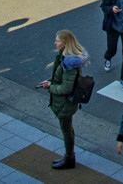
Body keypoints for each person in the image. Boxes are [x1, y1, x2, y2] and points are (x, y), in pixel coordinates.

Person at [38, 30, 88, 170]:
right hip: (65, 103)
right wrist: (50, 81)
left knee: (66, 130)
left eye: (58, 41)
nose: (55, 43)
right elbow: (60, 78)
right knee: (67, 128)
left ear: (65, 43)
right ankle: (69, 156)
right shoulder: (65, 58)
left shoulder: (68, 64)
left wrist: (50, 87)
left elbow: (66, 88)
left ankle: (69, 158)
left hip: (65, 103)